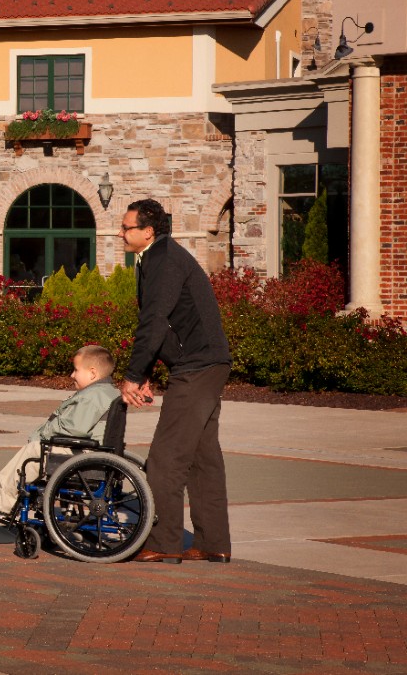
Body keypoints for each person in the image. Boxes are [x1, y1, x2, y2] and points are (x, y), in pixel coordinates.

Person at [118, 198, 232, 564]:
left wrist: (133, 377)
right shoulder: (158, 256)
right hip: (203, 363)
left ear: (147, 231)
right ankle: (213, 543)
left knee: (165, 458)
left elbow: (153, 321)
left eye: (126, 227)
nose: (120, 233)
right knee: (203, 459)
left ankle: (163, 543)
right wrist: (149, 372)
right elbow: (165, 325)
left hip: (198, 366)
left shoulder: (164, 260)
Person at [0, 345, 120, 518]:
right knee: (38, 446)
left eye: (76, 370)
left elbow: (73, 428)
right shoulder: (108, 393)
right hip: (96, 455)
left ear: (92, 373)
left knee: (34, 451)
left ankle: (2, 502)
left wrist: (43, 433)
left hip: (84, 458)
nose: (72, 375)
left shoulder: (93, 397)